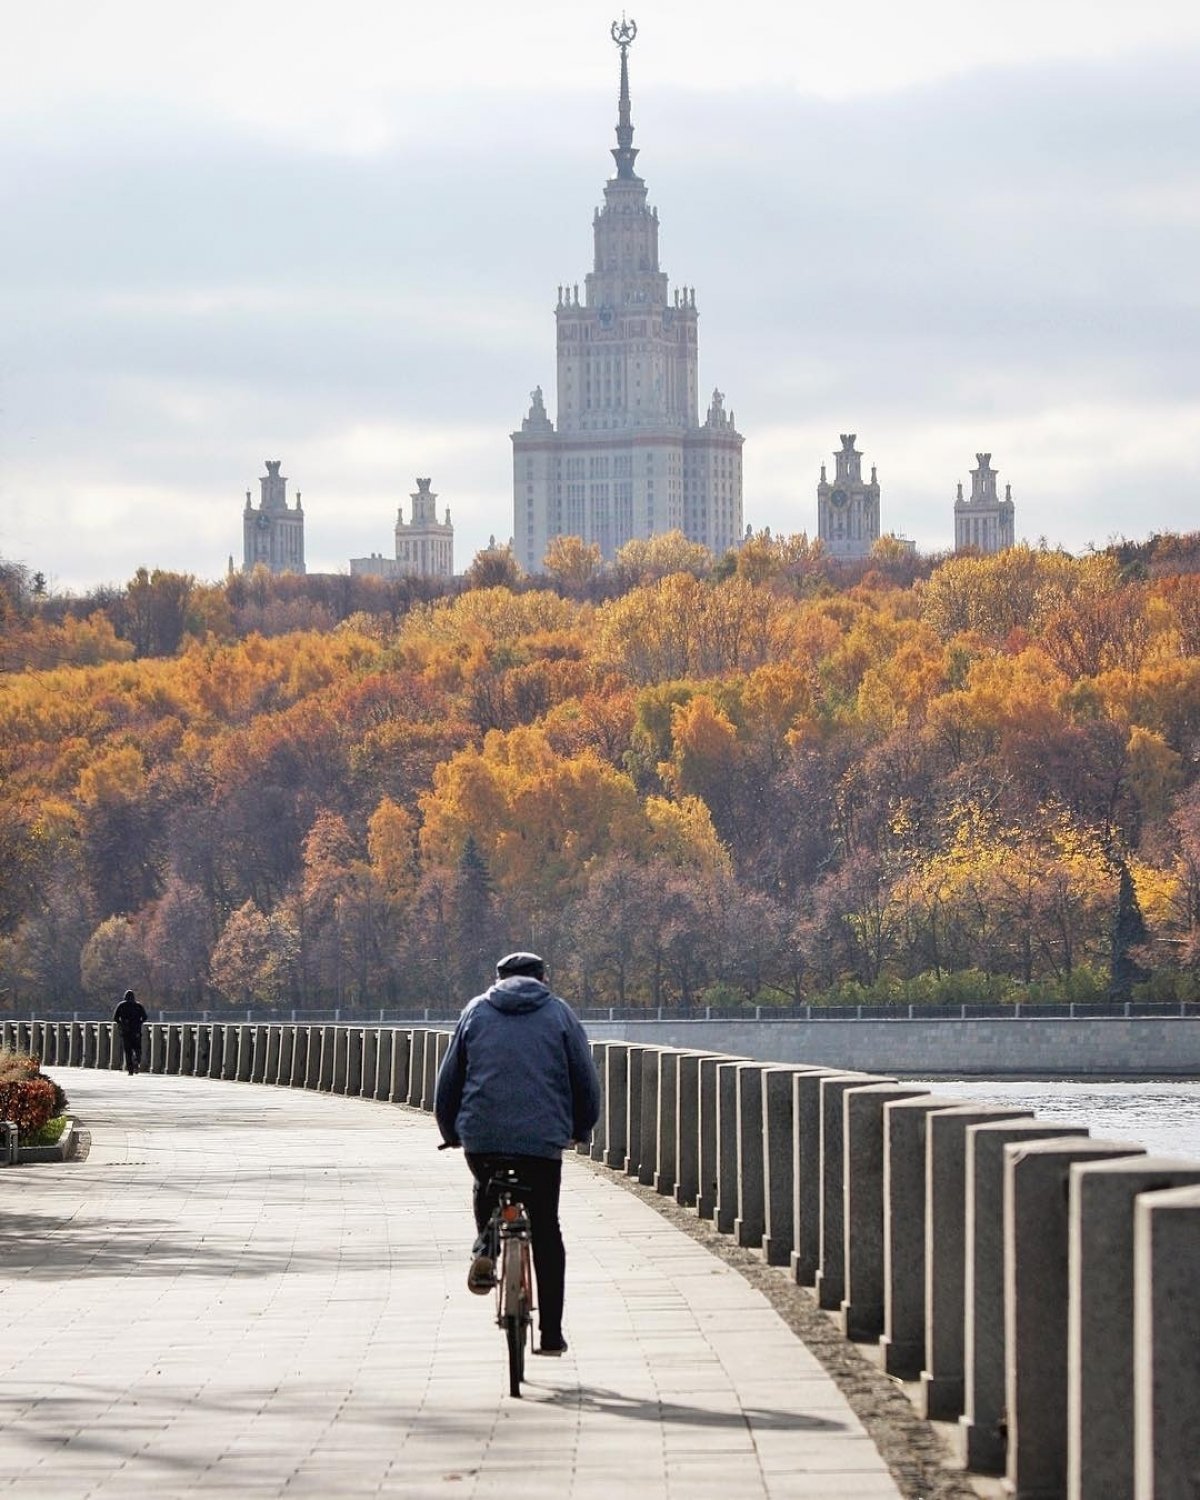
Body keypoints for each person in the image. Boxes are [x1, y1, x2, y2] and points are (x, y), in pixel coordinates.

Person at [434, 951, 601, 1357]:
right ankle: (551, 1334)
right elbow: (585, 1080)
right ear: (543, 978)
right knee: (546, 1227)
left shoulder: (475, 1011)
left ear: (498, 978)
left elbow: (448, 1081)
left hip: (483, 1136)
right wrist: (581, 1128)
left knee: (484, 1185)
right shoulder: (560, 1014)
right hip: (543, 1141)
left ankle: (486, 1249)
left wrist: (451, 1131)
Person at [113, 989, 148, 1075]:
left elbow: (115, 1018)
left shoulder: (121, 1006)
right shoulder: (138, 1006)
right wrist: (139, 1023)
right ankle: (137, 1061)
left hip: (126, 1031)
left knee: (128, 1051)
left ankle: (130, 1070)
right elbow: (145, 1017)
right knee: (138, 1049)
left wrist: (121, 1024)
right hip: (136, 1031)